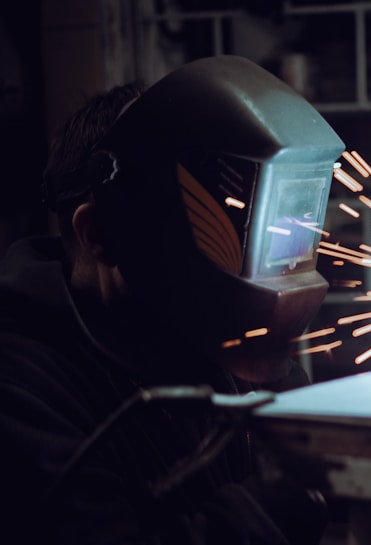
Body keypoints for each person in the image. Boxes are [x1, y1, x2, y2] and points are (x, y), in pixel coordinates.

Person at [0, 55, 345, 544]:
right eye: (216, 229)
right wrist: (290, 496)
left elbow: (322, 453)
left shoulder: (210, 339)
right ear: (101, 235)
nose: (254, 263)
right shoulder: (22, 392)